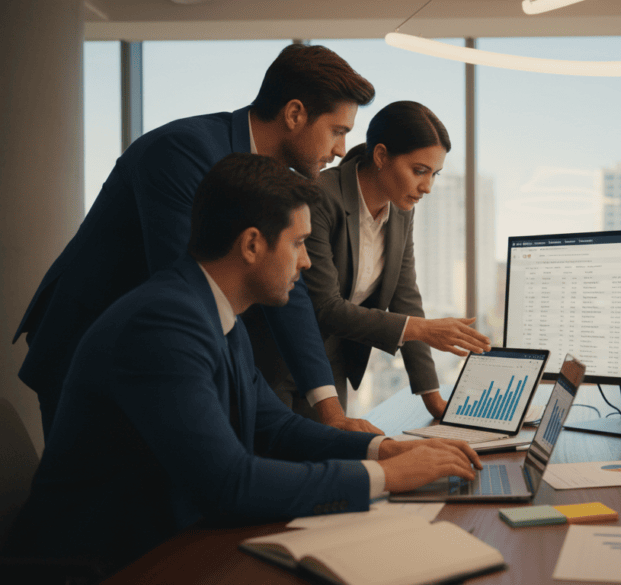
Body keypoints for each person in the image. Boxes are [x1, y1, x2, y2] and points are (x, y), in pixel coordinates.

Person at [4, 154, 482, 579]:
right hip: (107, 562)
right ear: (252, 245)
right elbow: (230, 484)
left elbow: (276, 430)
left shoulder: (212, 310)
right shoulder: (163, 323)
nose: (306, 264)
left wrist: (382, 450)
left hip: (171, 540)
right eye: (298, 244)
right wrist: (388, 479)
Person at [12, 43, 381, 440]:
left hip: (156, 343)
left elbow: (291, 294)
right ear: (294, 114)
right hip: (89, 341)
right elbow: (198, 288)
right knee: (96, 496)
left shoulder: (268, 177)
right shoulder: (184, 151)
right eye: (338, 131)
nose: (341, 149)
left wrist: (329, 410)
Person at [296, 101, 491, 419]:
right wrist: (422, 329)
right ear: (381, 156)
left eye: (434, 174)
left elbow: (406, 299)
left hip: (331, 365)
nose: (427, 187)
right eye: (419, 171)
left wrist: (434, 400)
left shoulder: (402, 213)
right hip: (282, 366)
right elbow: (324, 307)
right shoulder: (320, 197)